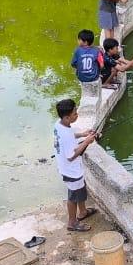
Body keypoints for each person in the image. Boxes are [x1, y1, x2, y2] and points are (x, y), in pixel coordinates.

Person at [53, 98, 99, 232]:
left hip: (68, 168)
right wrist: (87, 142)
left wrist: (82, 135)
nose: (77, 114)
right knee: (73, 196)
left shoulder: (59, 124)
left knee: (80, 192)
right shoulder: (66, 135)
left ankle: (83, 212)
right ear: (67, 117)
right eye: (74, 113)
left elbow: (70, 134)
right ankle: (72, 222)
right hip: (71, 171)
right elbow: (71, 156)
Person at [71, 29, 103, 103]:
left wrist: (80, 67)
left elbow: (73, 64)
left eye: (79, 40)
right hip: (94, 77)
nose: (78, 41)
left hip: (81, 78)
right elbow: (101, 65)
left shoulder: (77, 50)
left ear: (85, 42)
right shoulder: (97, 50)